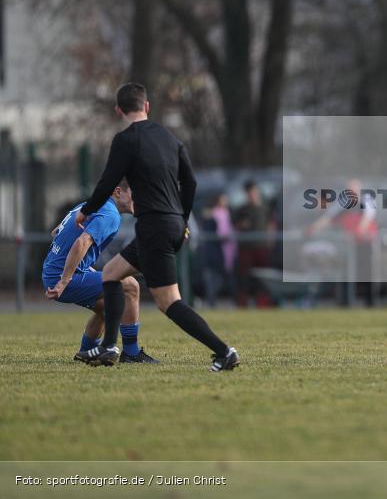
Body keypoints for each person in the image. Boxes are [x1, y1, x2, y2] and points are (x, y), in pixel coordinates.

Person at [73, 83, 239, 372]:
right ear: (147, 107)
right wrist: (184, 220)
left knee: (168, 302)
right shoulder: (170, 138)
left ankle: (224, 351)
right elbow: (191, 184)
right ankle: (110, 345)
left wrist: (86, 212)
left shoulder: (126, 140)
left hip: (154, 228)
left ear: (119, 111)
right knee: (111, 274)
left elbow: (107, 182)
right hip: (173, 224)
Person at [43, 181, 158, 363]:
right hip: (62, 275)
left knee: (109, 308)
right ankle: (132, 353)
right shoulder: (111, 214)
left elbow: (56, 231)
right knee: (130, 286)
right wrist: (64, 280)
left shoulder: (91, 205)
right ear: (118, 192)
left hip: (54, 270)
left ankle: (87, 351)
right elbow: (82, 242)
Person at [307, 177, 379, 306]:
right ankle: (345, 303)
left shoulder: (366, 200)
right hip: (349, 245)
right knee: (346, 273)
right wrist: (313, 228)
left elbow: (368, 218)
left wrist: (359, 231)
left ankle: (370, 303)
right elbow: (329, 218)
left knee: (366, 274)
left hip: (364, 245)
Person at [235, 180, 273, 308]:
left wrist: (270, 240)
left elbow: (270, 225)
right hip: (246, 248)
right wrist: (242, 225)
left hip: (261, 248)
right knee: (245, 277)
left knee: (262, 278)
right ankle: (243, 303)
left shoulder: (265, 208)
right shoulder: (242, 209)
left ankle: (262, 303)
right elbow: (235, 226)